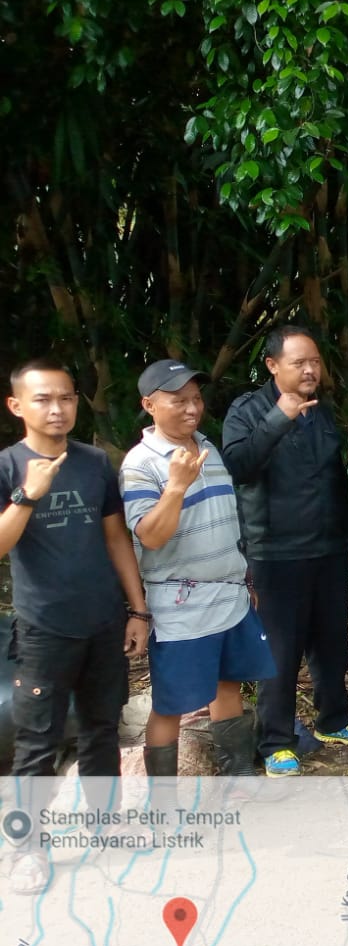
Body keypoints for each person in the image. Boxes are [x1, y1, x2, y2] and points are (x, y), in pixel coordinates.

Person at [1, 358, 150, 892]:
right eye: (43, 399)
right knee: (36, 743)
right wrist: (28, 493)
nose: (57, 408)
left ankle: (107, 827)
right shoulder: (7, 467)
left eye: (65, 397)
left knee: (101, 730)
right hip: (45, 628)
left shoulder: (92, 462)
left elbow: (116, 539)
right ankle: (27, 850)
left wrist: (137, 610)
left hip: (105, 621)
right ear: (17, 406)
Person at [222, 325, 348, 771]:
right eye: (299, 363)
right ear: (272, 366)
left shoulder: (321, 412)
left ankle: (334, 719)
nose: (310, 370)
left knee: (331, 642)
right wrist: (279, 417)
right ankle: (275, 741)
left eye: (314, 362)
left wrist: (347, 541)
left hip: (326, 547)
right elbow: (240, 465)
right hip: (275, 552)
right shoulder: (248, 410)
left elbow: (335, 483)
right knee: (281, 650)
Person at [122, 359, 278, 778]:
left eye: (196, 399)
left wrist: (243, 579)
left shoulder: (208, 449)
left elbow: (228, 521)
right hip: (180, 602)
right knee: (172, 702)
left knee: (229, 683)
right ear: (149, 405)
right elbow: (150, 536)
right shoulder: (141, 463)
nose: (192, 408)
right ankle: (164, 804)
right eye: (179, 401)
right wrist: (175, 486)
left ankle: (239, 776)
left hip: (228, 594)